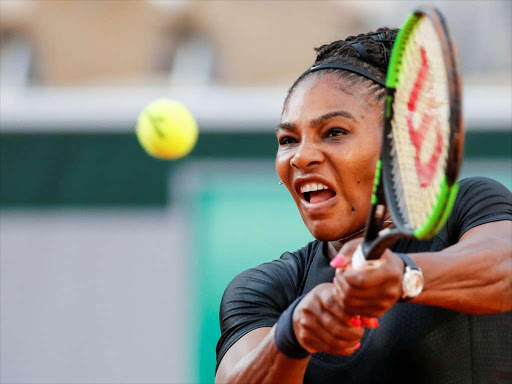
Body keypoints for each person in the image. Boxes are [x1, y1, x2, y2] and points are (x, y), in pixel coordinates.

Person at [215, 28, 512, 384]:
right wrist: (291, 337)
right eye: (289, 140)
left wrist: (403, 275)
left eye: (334, 132)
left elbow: (505, 266)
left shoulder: (468, 206)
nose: (301, 156)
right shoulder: (265, 289)